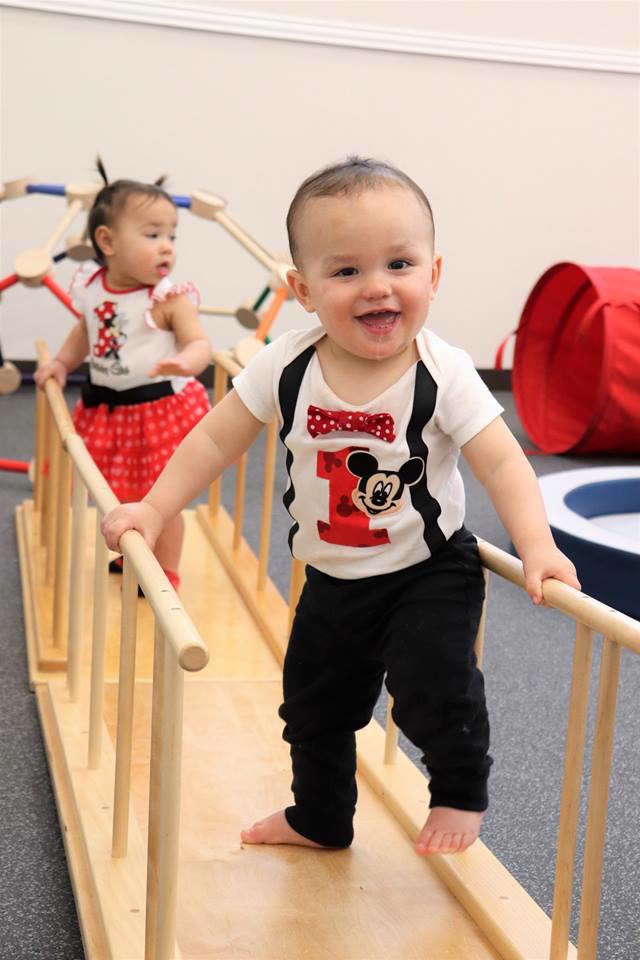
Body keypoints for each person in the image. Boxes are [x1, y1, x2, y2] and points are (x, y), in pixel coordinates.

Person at [101, 156, 580, 855]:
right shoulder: (285, 365)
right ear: (302, 288)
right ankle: (319, 818)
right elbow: (212, 441)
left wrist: (536, 544)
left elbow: (502, 461)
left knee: (430, 686)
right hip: (332, 578)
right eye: (346, 271)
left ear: (433, 275)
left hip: (428, 568)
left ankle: (458, 790)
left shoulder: (440, 372)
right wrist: (151, 507)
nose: (377, 287)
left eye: (399, 264)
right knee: (312, 710)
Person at [35, 160, 211, 591]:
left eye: (171, 236)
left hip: (159, 411)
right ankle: (135, 554)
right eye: (153, 235)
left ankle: (164, 570)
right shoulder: (93, 287)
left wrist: (187, 362)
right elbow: (85, 331)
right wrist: (62, 362)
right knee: (122, 491)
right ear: (107, 241)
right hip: (111, 409)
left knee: (160, 498)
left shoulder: (167, 298)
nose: (167, 246)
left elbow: (199, 344)